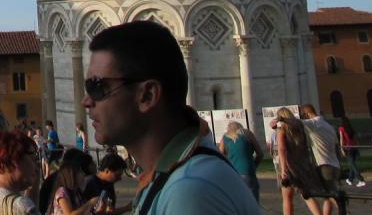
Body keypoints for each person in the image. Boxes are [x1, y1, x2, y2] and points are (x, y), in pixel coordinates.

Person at [81, 20, 260, 215]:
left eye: (98, 87)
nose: (86, 101)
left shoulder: (189, 190)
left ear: (148, 95)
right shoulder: (170, 175)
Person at [274, 108, 334, 215]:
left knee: (287, 198)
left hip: (289, 165)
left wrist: (283, 169)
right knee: (307, 195)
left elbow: (282, 149)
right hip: (303, 164)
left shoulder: (281, 128)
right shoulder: (300, 127)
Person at [0, 129, 42, 215]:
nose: (37, 165)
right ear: (15, 159)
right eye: (33, 158)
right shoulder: (21, 207)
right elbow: (24, 209)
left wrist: (33, 188)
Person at [299, 105, 341, 212]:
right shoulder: (329, 126)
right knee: (327, 197)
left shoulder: (313, 123)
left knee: (332, 196)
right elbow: (337, 147)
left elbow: (296, 122)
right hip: (335, 165)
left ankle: (346, 212)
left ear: (307, 114)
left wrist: (280, 119)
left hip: (324, 165)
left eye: (303, 116)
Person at [39, 149, 96, 215]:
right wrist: (90, 203)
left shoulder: (76, 191)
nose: (83, 174)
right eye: (80, 172)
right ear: (72, 175)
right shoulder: (62, 191)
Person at [219, 120, 263, 201]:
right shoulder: (247, 134)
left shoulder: (224, 138)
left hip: (232, 174)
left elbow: (220, 157)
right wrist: (253, 166)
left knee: (237, 203)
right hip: (248, 172)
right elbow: (260, 154)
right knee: (253, 202)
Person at [336, 117, 363, 188]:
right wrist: (357, 147)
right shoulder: (351, 128)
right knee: (352, 164)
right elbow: (355, 138)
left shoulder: (341, 128)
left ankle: (360, 179)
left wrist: (342, 149)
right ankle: (350, 179)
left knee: (352, 163)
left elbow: (341, 139)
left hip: (348, 148)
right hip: (354, 147)